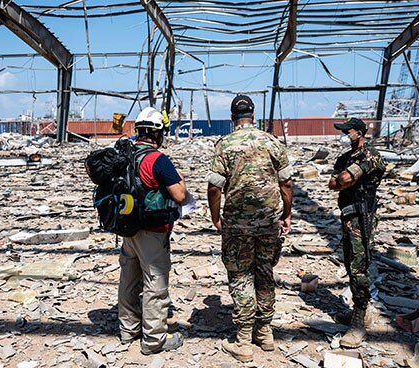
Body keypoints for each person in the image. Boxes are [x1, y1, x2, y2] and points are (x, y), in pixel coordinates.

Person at [207, 95, 293, 362]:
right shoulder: (272, 141)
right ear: (253, 115)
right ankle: (265, 333)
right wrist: (286, 214)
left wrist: (215, 216)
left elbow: (214, 187)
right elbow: (287, 183)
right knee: (265, 272)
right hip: (268, 222)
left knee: (241, 275)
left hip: (237, 224)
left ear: (232, 117)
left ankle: (243, 339)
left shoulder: (225, 145)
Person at [118, 107, 186, 355]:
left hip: (127, 227)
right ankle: (154, 340)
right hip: (153, 231)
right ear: (158, 134)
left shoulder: (125, 154)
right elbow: (179, 195)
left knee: (129, 279)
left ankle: (128, 330)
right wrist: (181, 178)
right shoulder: (158, 160)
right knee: (155, 284)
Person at [328, 117, 386, 348]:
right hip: (348, 215)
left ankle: (360, 319)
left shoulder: (371, 155)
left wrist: (345, 181)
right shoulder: (345, 157)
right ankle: (358, 310)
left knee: (359, 266)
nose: (344, 135)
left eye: (348, 131)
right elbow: (333, 182)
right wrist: (344, 182)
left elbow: (344, 178)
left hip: (363, 217)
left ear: (360, 133)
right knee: (350, 262)